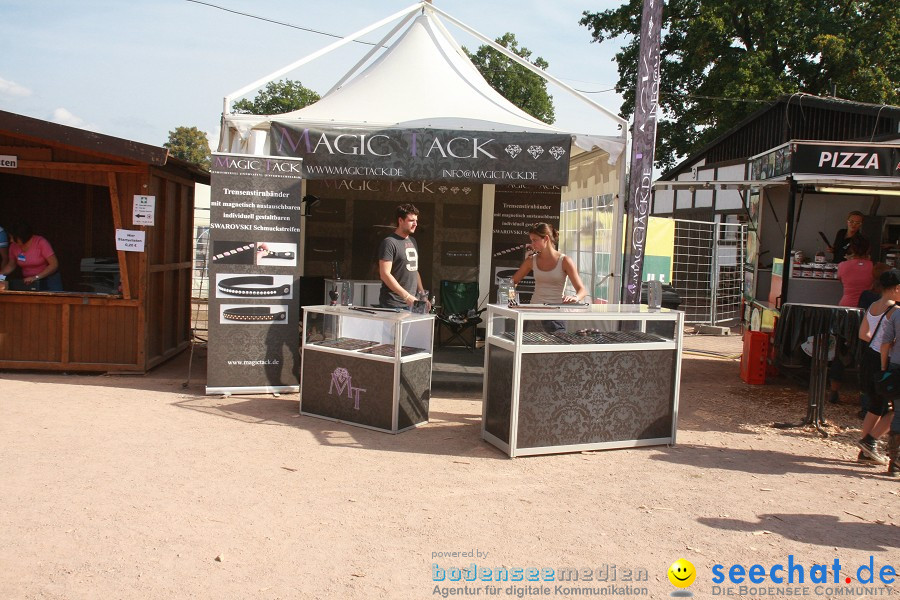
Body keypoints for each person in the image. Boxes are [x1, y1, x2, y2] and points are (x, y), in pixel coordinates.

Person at [856, 269, 900, 464]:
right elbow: (889, 342)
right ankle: (870, 442)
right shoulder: (895, 311)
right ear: (896, 289)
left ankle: (865, 449)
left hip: (870, 356)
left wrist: (876, 346)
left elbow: (863, 333)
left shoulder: (873, 305)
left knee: (875, 405)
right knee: (892, 408)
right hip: (885, 360)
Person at [511, 223, 587, 332]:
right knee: (529, 348)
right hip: (533, 314)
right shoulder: (531, 260)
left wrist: (575, 298)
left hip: (555, 316)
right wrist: (510, 300)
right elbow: (512, 282)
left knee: (555, 348)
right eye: (531, 240)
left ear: (546, 238)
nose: (532, 244)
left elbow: (582, 290)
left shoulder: (565, 261)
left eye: (535, 240)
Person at [378, 204, 428, 310]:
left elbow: (414, 270)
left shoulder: (413, 241)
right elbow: (384, 274)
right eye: (411, 220)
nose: (415, 224)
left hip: (412, 303)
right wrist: (406, 296)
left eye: (416, 220)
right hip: (392, 305)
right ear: (400, 220)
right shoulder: (389, 242)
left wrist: (422, 295)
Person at [0, 221, 62, 292]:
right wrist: (0, 276)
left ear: (21, 236)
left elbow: (54, 265)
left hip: (49, 280)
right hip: (29, 281)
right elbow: (11, 265)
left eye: (12, 237)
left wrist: (35, 277)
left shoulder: (41, 242)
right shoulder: (13, 246)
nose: (10, 240)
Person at [837, 237, 873, 307]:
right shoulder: (873, 267)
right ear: (868, 249)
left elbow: (841, 280)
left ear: (852, 249)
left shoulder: (842, 265)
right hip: (866, 306)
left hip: (846, 305)